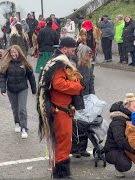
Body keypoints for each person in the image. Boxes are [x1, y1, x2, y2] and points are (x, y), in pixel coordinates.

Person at [37, 37, 84, 178]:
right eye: (72, 50)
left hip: (62, 109)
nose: (73, 52)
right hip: (60, 110)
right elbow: (58, 84)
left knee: (62, 142)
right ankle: (61, 174)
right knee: (62, 142)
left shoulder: (56, 61)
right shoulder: (59, 64)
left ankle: (60, 172)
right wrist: (77, 86)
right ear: (64, 49)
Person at [0, 45, 36, 139]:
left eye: (15, 52)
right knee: (15, 108)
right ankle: (17, 123)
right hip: (11, 89)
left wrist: (34, 89)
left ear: (19, 52)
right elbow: (2, 76)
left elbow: (31, 76)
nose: (13, 54)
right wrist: (2, 89)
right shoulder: (6, 63)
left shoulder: (24, 63)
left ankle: (24, 128)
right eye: (11, 52)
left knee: (22, 109)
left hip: (22, 88)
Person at [104, 93, 135, 177]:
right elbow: (120, 140)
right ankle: (118, 167)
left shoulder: (134, 118)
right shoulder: (118, 121)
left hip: (126, 146)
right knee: (125, 165)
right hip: (113, 150)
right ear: (127, 107)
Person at [71, 44, 95, 157]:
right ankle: (75, 148)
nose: (89, 57)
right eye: (87, 54)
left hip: (86, 96)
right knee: (76, 124)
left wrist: (92, 95)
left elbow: (91, 80)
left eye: (90, 55)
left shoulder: (89, 65)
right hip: (76, 97)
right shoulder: (74, 64)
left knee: (86, 123)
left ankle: (83, 148)